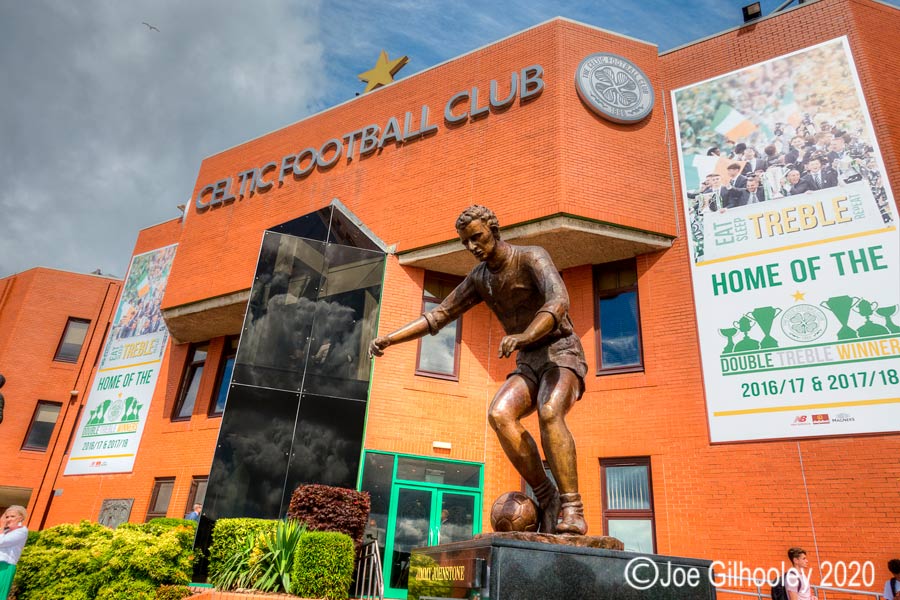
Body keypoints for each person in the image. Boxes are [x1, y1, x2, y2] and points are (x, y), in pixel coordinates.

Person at [369, 205, 589, 535]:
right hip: (528, 359)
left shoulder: (531, 257)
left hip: (561, 353)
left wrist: (524, 335)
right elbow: (438, 316)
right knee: (500, 414)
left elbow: (558, 301)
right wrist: (389, 338)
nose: (472, 247)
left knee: (549, 411)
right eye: (465, 242)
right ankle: (547, 495)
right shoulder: (480, 279)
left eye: (477, 238)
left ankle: (573, 507)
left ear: (493, 231)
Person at [0, 505, 29, 599]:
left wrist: (1, 526)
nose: (8, 519)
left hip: (5, 566)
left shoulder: (22, 531)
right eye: (7, 517)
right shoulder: (5, 531)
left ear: (20, 518)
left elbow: (1, 542)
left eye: (12, 516)